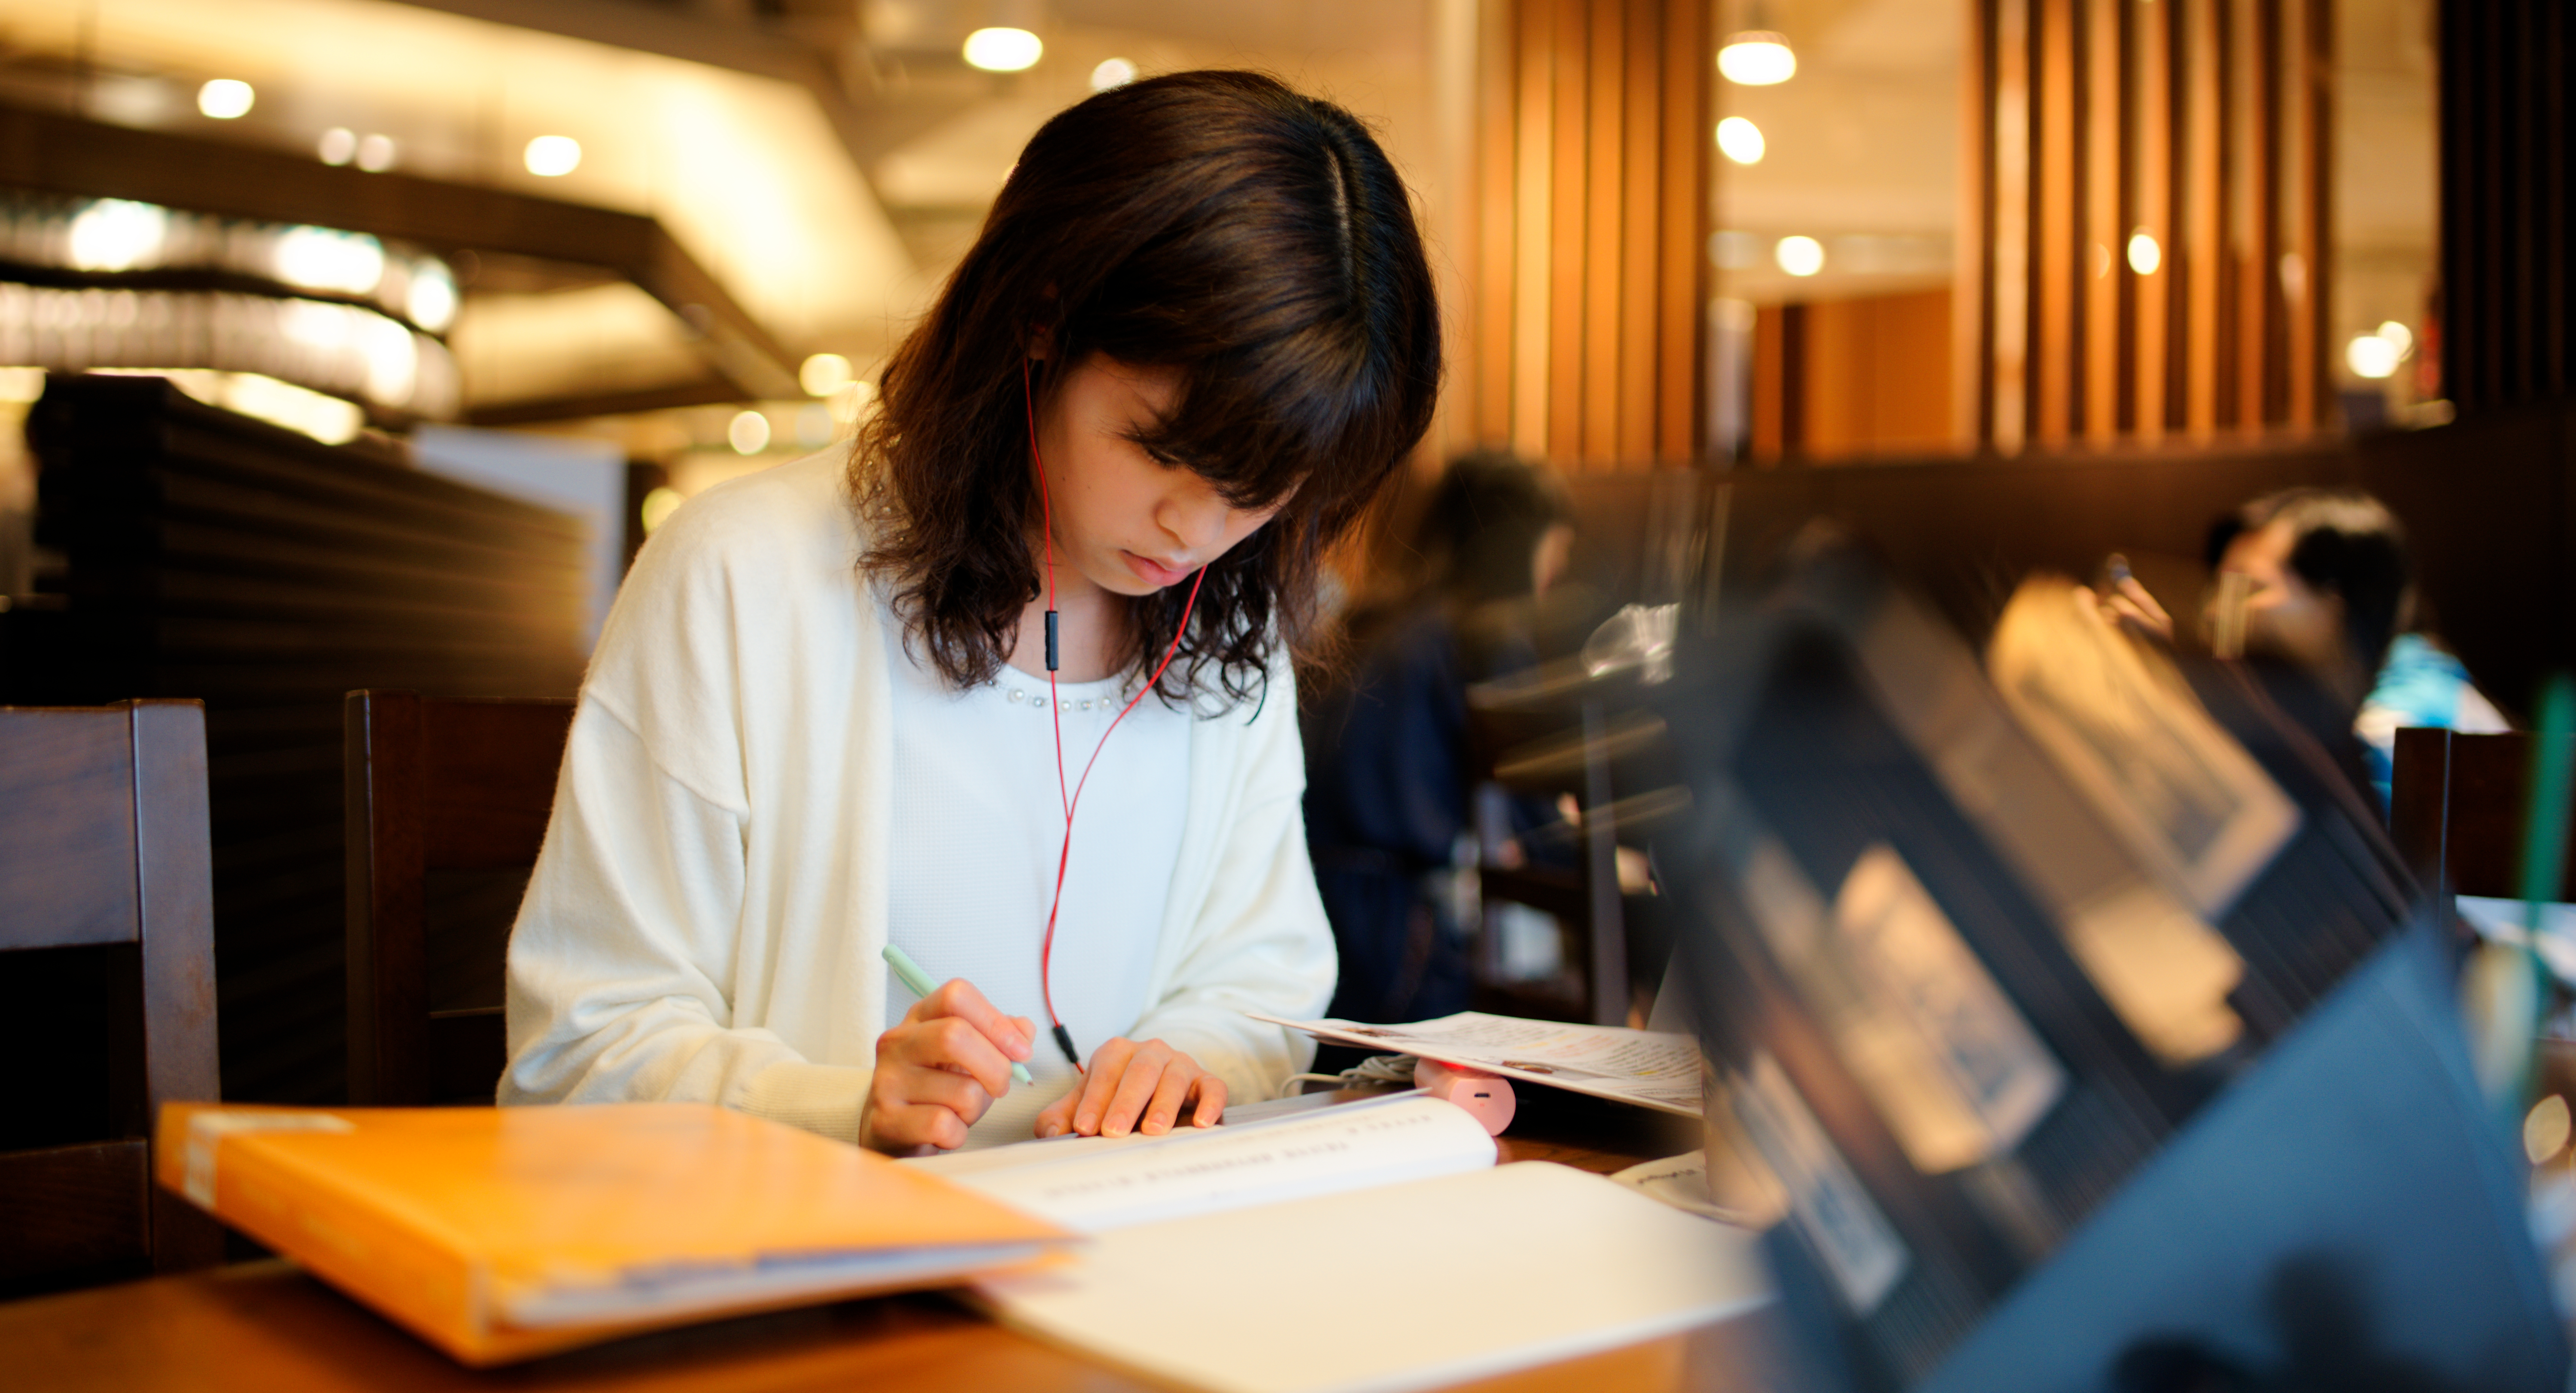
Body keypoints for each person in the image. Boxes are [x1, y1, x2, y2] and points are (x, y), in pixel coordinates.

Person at [500, 71, 1442, 1155]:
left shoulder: (1234, 644)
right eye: (1161, 447)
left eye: (1262, 490)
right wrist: (842, 1104)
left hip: (1130, 1266)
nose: (1195, 528)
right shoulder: (740, 577)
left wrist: (1193, 1064)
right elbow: (576, 1051)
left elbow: (1254, 985)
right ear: (1042, 317)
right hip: (819, 1273)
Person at [1300, 451, 1573, 1025]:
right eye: (1556, 549)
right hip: (1395, 934)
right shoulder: (1482, 636)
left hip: (1312, 910)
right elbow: (1532, 812)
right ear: (1525, 545)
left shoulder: (1374, 617)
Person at [2096, 487, 2507, 809]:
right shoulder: (2360, 693)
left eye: (2248, 589)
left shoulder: (2397, 730)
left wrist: (2182, 690)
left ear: (2330, 609)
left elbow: (2309, 850)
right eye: (2218, 589)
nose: (2215, 613)